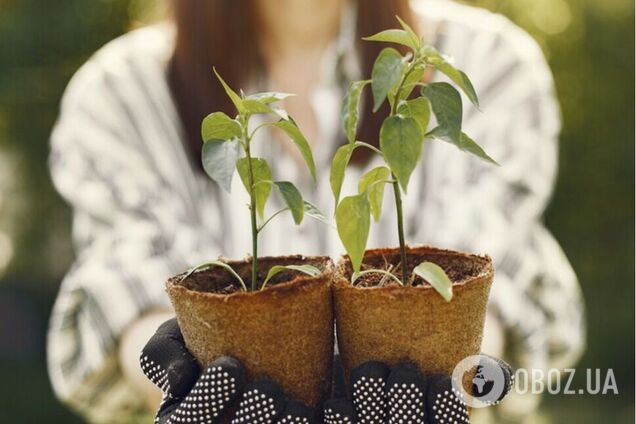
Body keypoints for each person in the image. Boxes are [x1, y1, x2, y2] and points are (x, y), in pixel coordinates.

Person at [47, 0, 585, 422]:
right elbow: (127, 282)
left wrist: (450, 379)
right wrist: (184, 380)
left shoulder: (488, 62)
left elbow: (479, 286)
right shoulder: (122, 93)